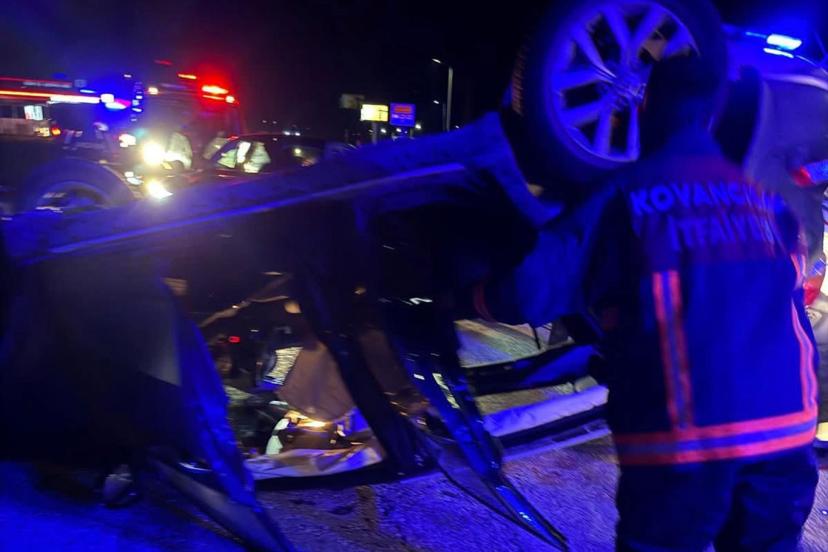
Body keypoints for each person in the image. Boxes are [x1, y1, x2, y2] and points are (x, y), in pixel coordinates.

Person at [474, 55, 820, 550]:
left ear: (643, 108)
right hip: (786, 434)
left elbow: (527, 293)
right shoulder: (770, 206)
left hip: (686, 442)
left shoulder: (626, 196)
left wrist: (471, 296)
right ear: (714, 114)